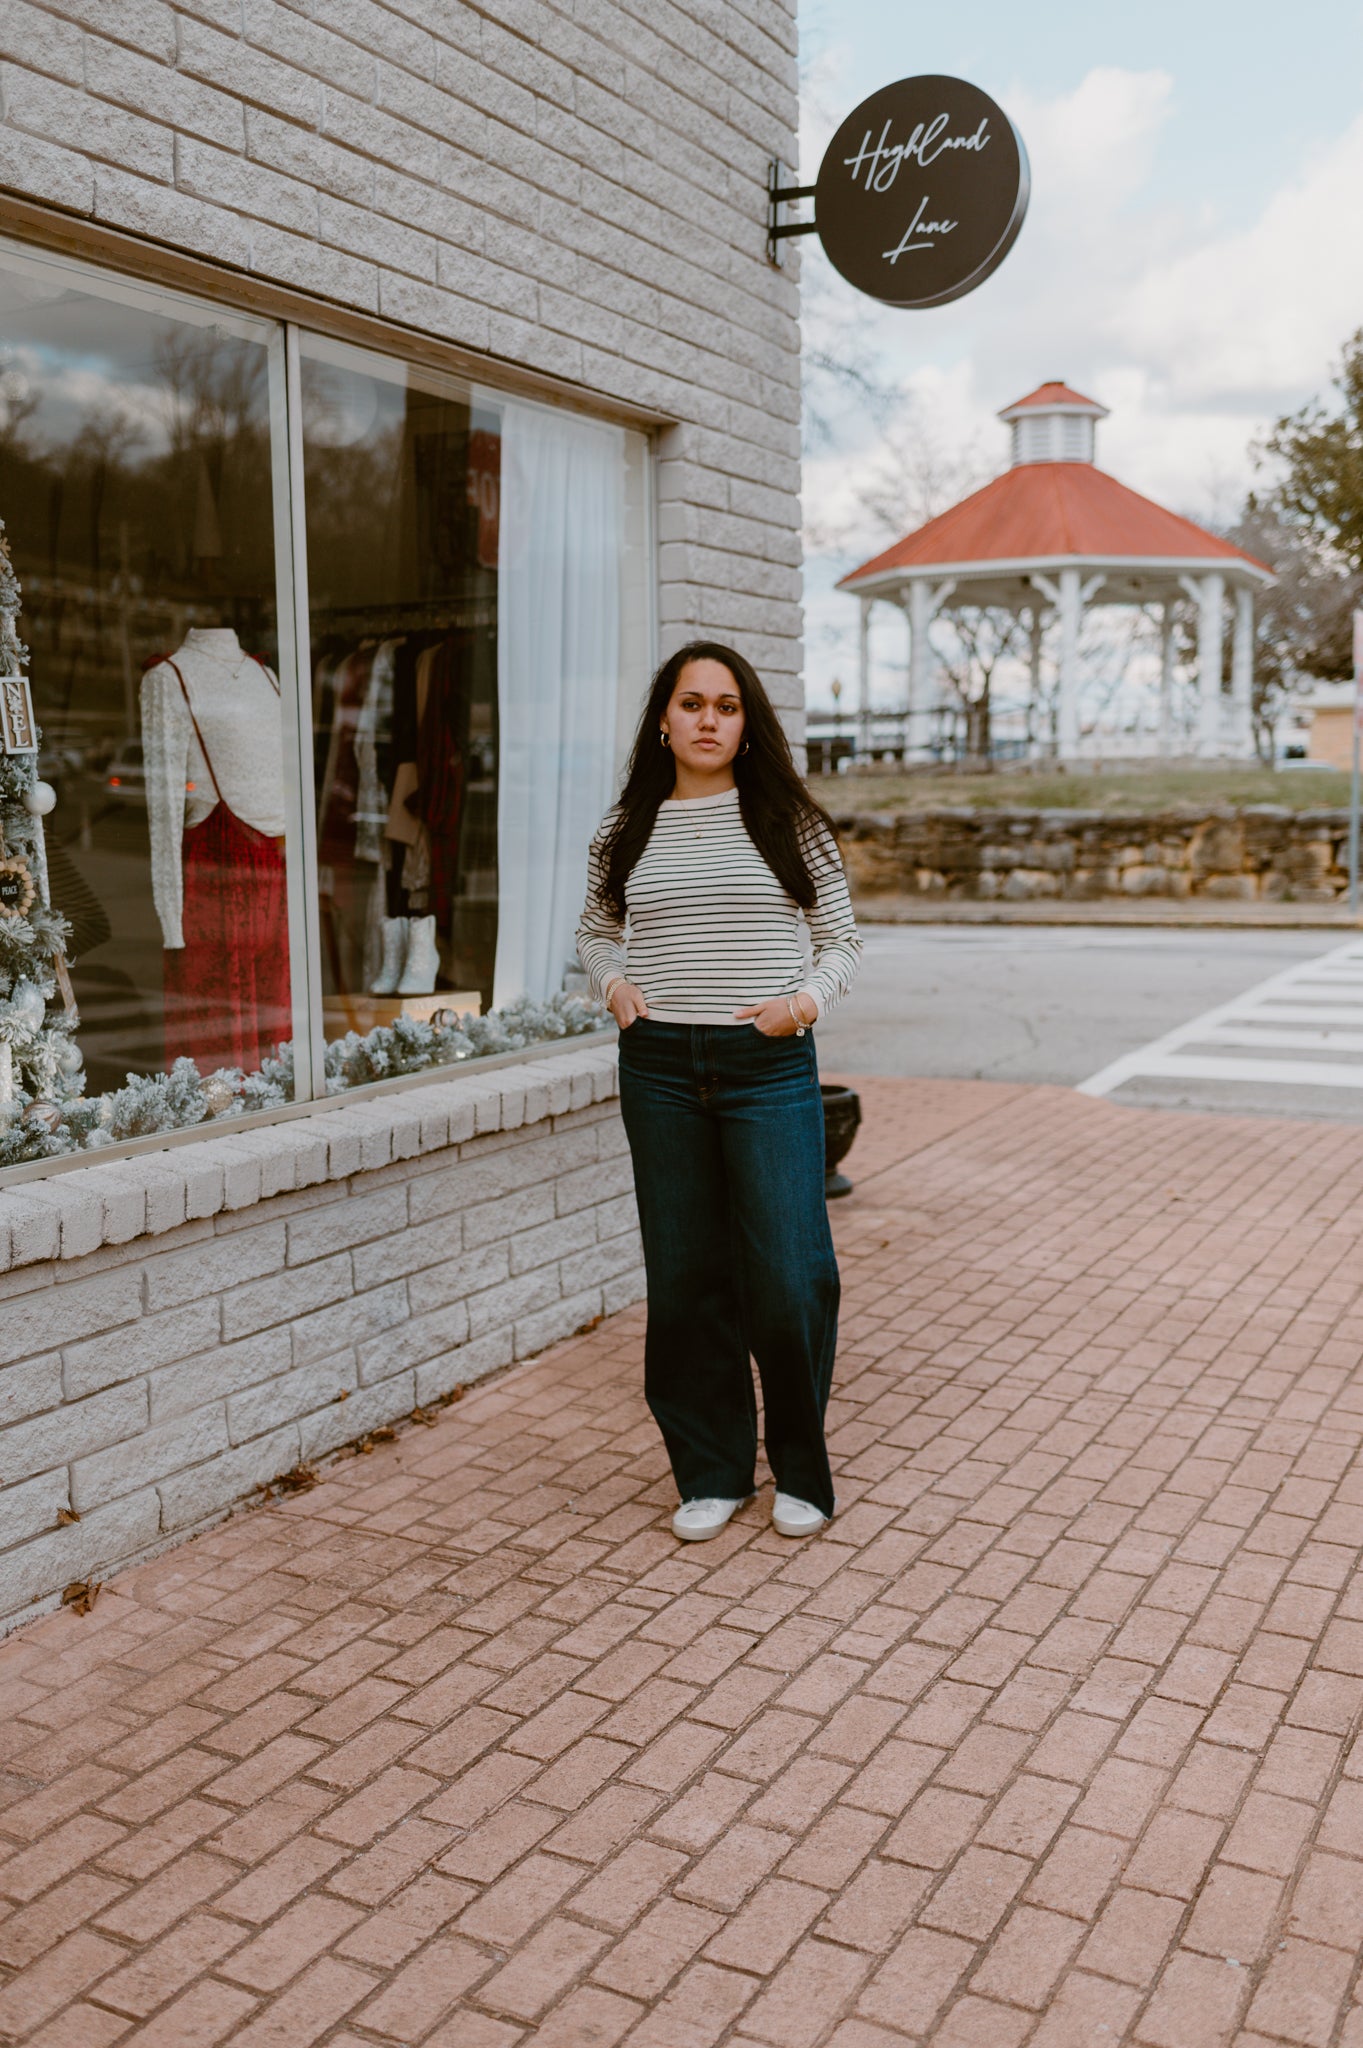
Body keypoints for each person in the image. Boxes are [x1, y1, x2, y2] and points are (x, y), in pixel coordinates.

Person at [577, 641, 862, 1543]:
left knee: (788, 1273)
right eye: (691, 703)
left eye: (726, 706)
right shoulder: (626, 828)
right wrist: (615, 987)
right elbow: (596, 931)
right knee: (686, 1273)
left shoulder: (787, 822)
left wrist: (800, 1006)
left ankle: (801, 1473)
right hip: (658, 1066)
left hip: (765, 1065)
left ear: (747, 724)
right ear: (663, 720)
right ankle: (711, 1472)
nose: (708, 720)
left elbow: (841, 940)